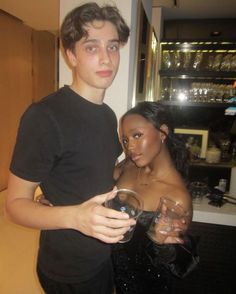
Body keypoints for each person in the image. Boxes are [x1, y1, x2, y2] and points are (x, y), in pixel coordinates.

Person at [5, 3, 135, 294]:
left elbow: (98, 172)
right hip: (68, 269)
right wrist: (74, 216)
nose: (106, 58)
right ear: (71, 56)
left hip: (104, 254)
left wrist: (143, 167)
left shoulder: (107, 114)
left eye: (112, 46)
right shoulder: (45, 116)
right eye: (91, 47)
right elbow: (14, 205)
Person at [112, 101, 195, 293]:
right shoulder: (129, 166)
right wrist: (62, 196)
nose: (130, 147)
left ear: (162, 132)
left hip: (145, 284)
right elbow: (100, 184)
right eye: (125, 140)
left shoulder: (177, 197)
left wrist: (158, 242)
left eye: (137, 135)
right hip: (112, 274)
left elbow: (178, 265)